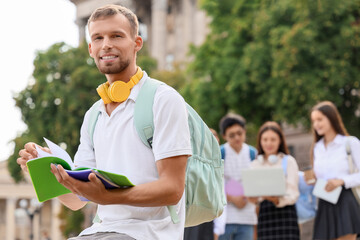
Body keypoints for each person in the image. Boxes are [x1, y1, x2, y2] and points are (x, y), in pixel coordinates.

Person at [17, 4, 192, 240]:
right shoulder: (93, 115)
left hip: (149, 233)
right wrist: (47, 171)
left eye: (116, 36)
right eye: (98, 38)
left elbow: (172, 189)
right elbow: (78, 200)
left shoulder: (163, 100)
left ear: (137, 43)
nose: (106, 44)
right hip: (101, 231)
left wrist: (110, 197)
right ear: (91, 48)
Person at [310, 101, 360, 240]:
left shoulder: (350, 143)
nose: (316, 124)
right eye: (314, 121)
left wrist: (341, 181)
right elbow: (321, 178)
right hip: (325, 202)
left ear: (331, 118)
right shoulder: (317, 148)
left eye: (320, 119)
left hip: (346, 201)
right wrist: (313, 180)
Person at [250, 121, 300, 240]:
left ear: (280, 141)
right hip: (265, 214)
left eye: (273, 139)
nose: (269, 143)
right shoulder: (255, 164)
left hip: (286, 214)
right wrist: (252, 199)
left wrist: (277, 199)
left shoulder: (288, 161)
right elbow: (254, 194)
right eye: (265, 139)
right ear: (260, 141)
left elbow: (294, 193)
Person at [218, 113, 257, 240]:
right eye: (232, 135)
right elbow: (214, 184)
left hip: (247, 217)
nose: (237, 138)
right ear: (224, 136)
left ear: (244, 132)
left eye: (239, 133)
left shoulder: (252, 153)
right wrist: (232, 198)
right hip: (225, 217)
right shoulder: (220, 153)